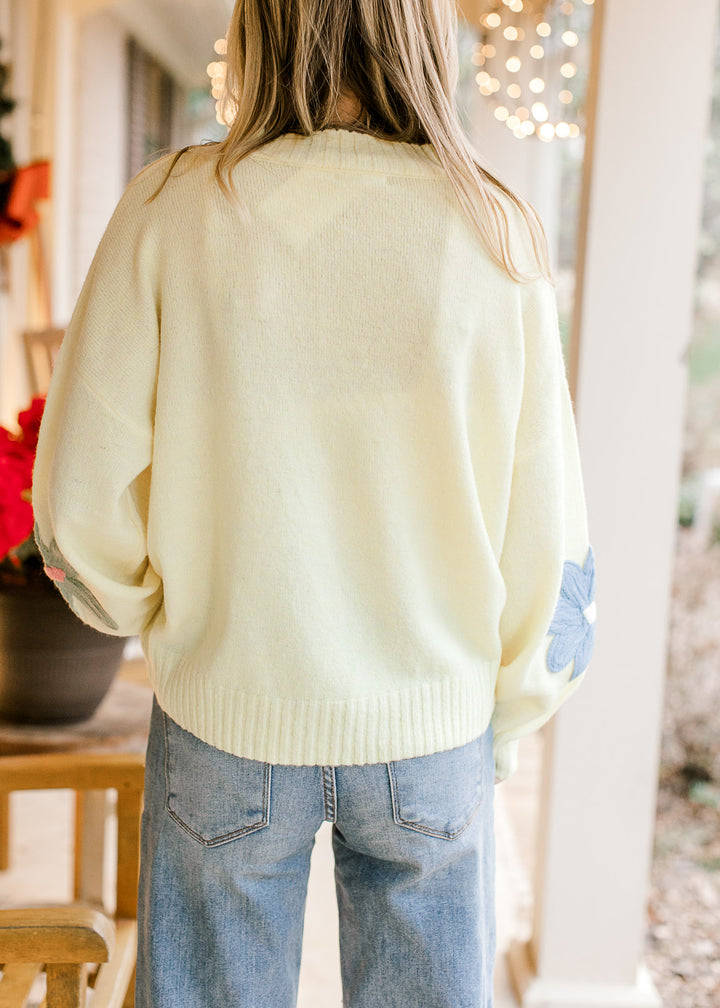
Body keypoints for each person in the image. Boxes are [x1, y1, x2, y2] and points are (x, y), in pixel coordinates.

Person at [32, 0, 596, 1005]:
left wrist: (155, 614)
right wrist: (508, 712)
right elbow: (544, 525)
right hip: (433, 729)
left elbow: (78, 498)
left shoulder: (173, 207)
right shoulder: (495, 227)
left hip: (226, 709)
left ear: (260, 27)